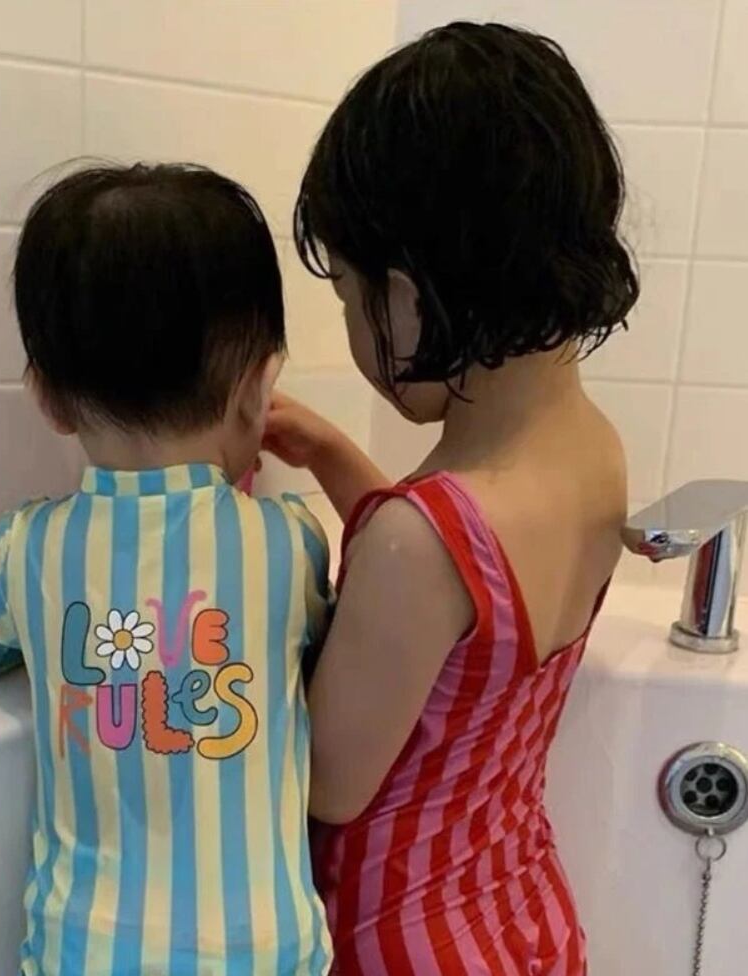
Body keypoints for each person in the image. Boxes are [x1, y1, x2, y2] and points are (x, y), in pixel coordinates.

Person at [264, 22, 636, 975]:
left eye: (347, 298)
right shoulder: (592, 452)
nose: (353, 328)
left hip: (395, 938)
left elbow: (329, 783)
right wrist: (334, 454)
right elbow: (463, 615)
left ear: (405, 296)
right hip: (520, 911)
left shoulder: (416, 543)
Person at [0, 163, 333, 976]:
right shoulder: (289, 542)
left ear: (48, 397)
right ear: (258, 389)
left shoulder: (31, 548)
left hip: (89, 951)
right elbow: (332, 642)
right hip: (268, 951)